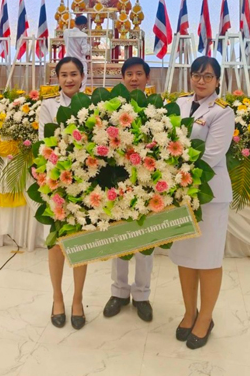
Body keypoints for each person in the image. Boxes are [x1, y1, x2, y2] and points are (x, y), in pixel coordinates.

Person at [170, 56, 234, 350]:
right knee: (185, 256)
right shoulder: (180, 104)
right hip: (180, 194)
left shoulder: (222, 112)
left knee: (208, 259)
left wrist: (173, 168)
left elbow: (211, 155)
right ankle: (189, 312)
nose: (201, 81)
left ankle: (205, 318)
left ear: (218, 80)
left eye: (208, 76)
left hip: (210, 194)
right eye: (196, 75)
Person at [38, 56, 88, 331]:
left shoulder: (92, 104)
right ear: (57, 78)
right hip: (56, 179)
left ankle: (77, 299)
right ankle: (57, 298)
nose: (69, 79)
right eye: (64, 74)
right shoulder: (48, 106)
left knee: (81, 240)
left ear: (82, 76)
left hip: (85, 181)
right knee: (56, 242)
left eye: (74, 74)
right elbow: (45, 143)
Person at [103, 57, 154, 323]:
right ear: (122, 78)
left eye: (139, 74)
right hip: (118, 182)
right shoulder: (111, 109)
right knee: (119, 238)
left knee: (146, 240)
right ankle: (119, 292)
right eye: (129, 74)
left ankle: (142, 295)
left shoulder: (157, 108)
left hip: (147, 182)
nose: (134, 79)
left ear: (147, 78)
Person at [63, 16, 90, 87]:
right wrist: (90, 45)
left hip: (68, 61)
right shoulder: (83, 35)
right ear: (83, 25)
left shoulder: (66, 32)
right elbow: (85, 52)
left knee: (70, 81)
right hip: (80, 61)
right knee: (81, 82)